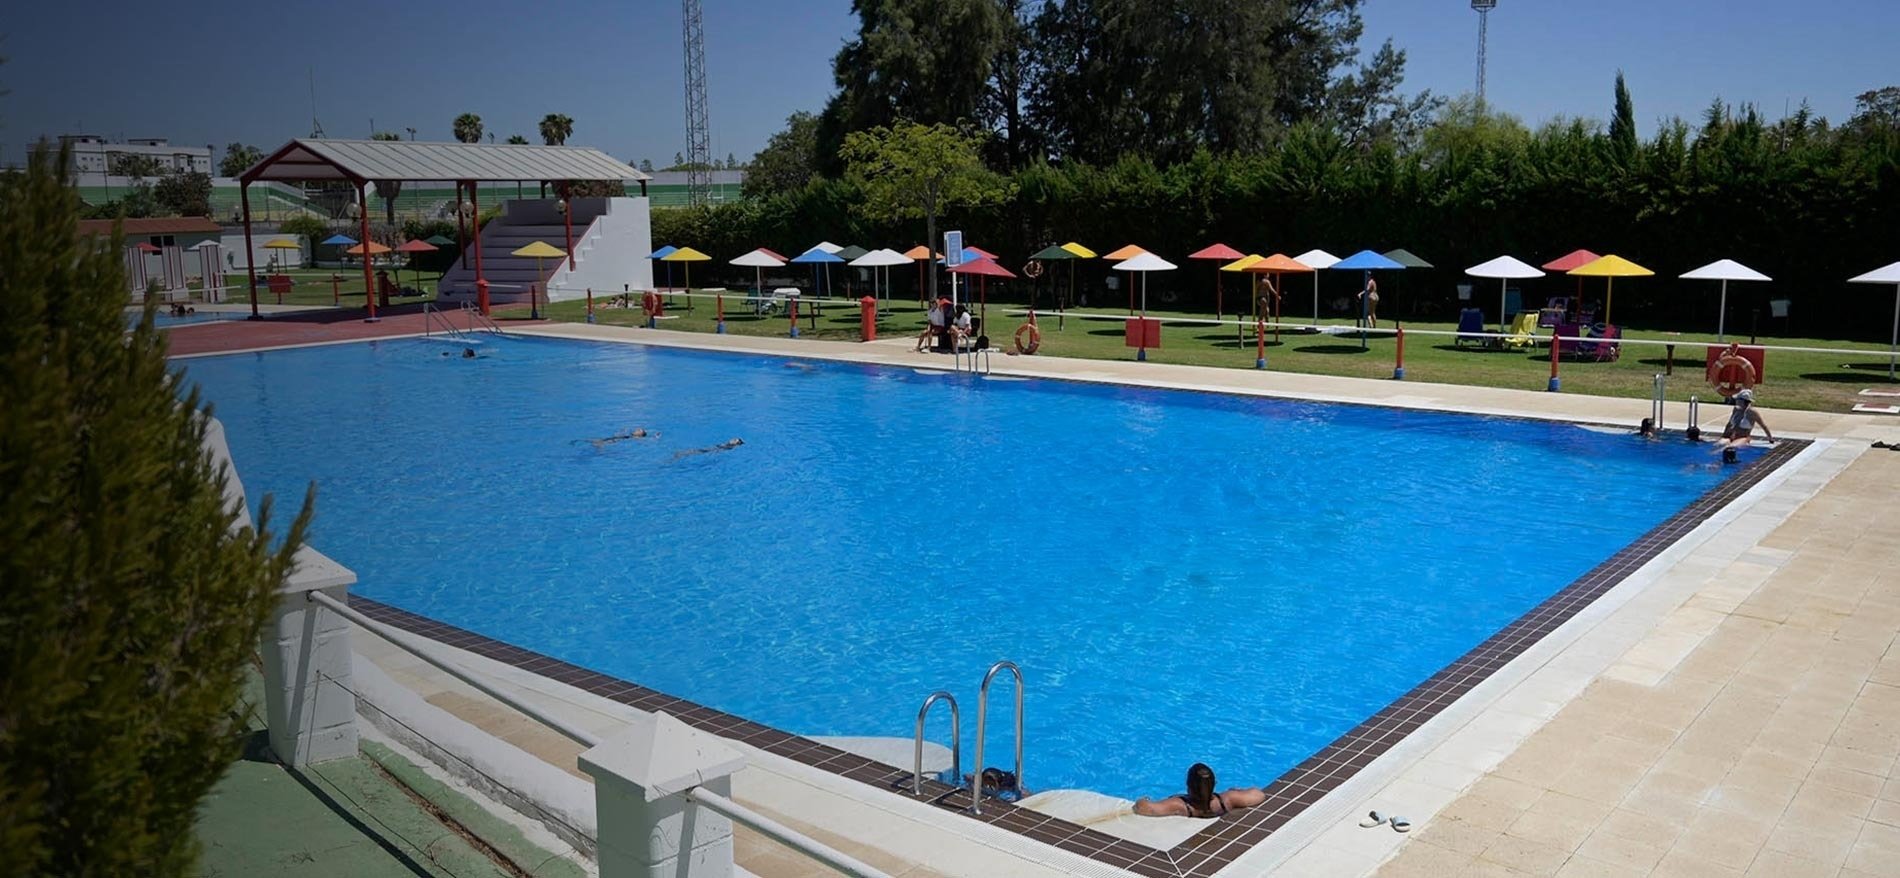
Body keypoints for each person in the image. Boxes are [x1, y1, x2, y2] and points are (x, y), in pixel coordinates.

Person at [1133, 763, 1265, 819]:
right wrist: (1238, 791)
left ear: (1188, 785)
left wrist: (1143, 799)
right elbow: (1258, 794)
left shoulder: (1179, 805)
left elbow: (1145, 809)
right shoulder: (1226, 800)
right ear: (1214, 784)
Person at [675, 437, 744, 459]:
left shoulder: (729, 447)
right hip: (712, 449)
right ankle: (683, 453)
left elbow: (720, 450)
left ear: (735, 443)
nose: (732, 439)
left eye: (735, 440)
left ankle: (682, 454)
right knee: (697, 451)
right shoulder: (728, 445)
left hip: (712, 450)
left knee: (698, 451)